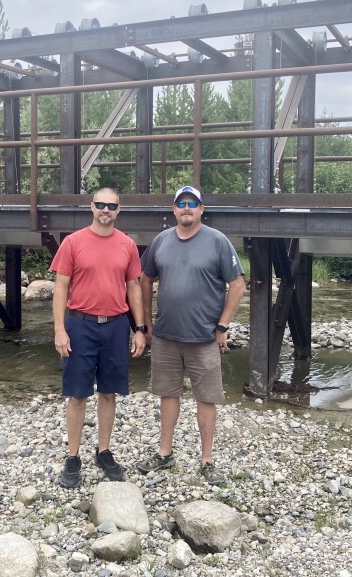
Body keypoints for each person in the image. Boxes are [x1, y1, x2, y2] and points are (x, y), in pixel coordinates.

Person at [136, 185, 246, 484]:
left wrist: (222, 325)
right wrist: (145, 324)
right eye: (181, 203)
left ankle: (207, 460)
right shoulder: (160, 241)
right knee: (168, 395)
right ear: (174, 210)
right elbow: (144, 280)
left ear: (201, 209)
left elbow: (237, 285)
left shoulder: (218, 242)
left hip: (204, 339)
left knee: (206, 399)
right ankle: (164, 453)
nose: (186, 208)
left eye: (192, 203)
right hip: (166, 337)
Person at [51, 187, 148, 488]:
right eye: (101, 205)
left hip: (116, 326)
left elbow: (134, 288)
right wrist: (59, 329)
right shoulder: (72, 242)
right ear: (91, 207)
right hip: (80, 325)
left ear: (119, 210)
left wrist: (141, 329)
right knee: (77, 393)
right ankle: (72, 457)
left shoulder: (128, 245)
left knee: (109, 392)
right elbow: (60, 288)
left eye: (112, 206)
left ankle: (103, 451)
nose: (106, 210)